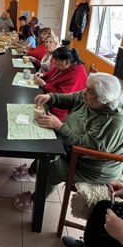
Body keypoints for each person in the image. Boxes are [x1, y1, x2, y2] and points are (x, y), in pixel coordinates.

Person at [13, 73, 123, 212]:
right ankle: (33, 172)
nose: (84, 93)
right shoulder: (90, 98)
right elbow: (71, 98)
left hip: (91, 166)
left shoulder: (111, 123)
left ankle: (35, 201)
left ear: (104, 100)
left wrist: (60, 127)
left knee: (52, 168)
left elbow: (85, 147)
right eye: (86, 88)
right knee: (43, 144)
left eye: (90, 92)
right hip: (72, 148)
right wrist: (50, 97)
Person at [12, 46, 87, 182]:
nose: (56, 65)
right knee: (29, 113)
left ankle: (33, 172)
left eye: (58, 62)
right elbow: (53, 73)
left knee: (43, 138)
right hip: (52, 99)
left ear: (68, 61)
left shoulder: (76, 73)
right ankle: (33, 167)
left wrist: (45, 85)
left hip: (62, 111)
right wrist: (43, 76)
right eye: (56, 62)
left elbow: (64, 97)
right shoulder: (64, 66)